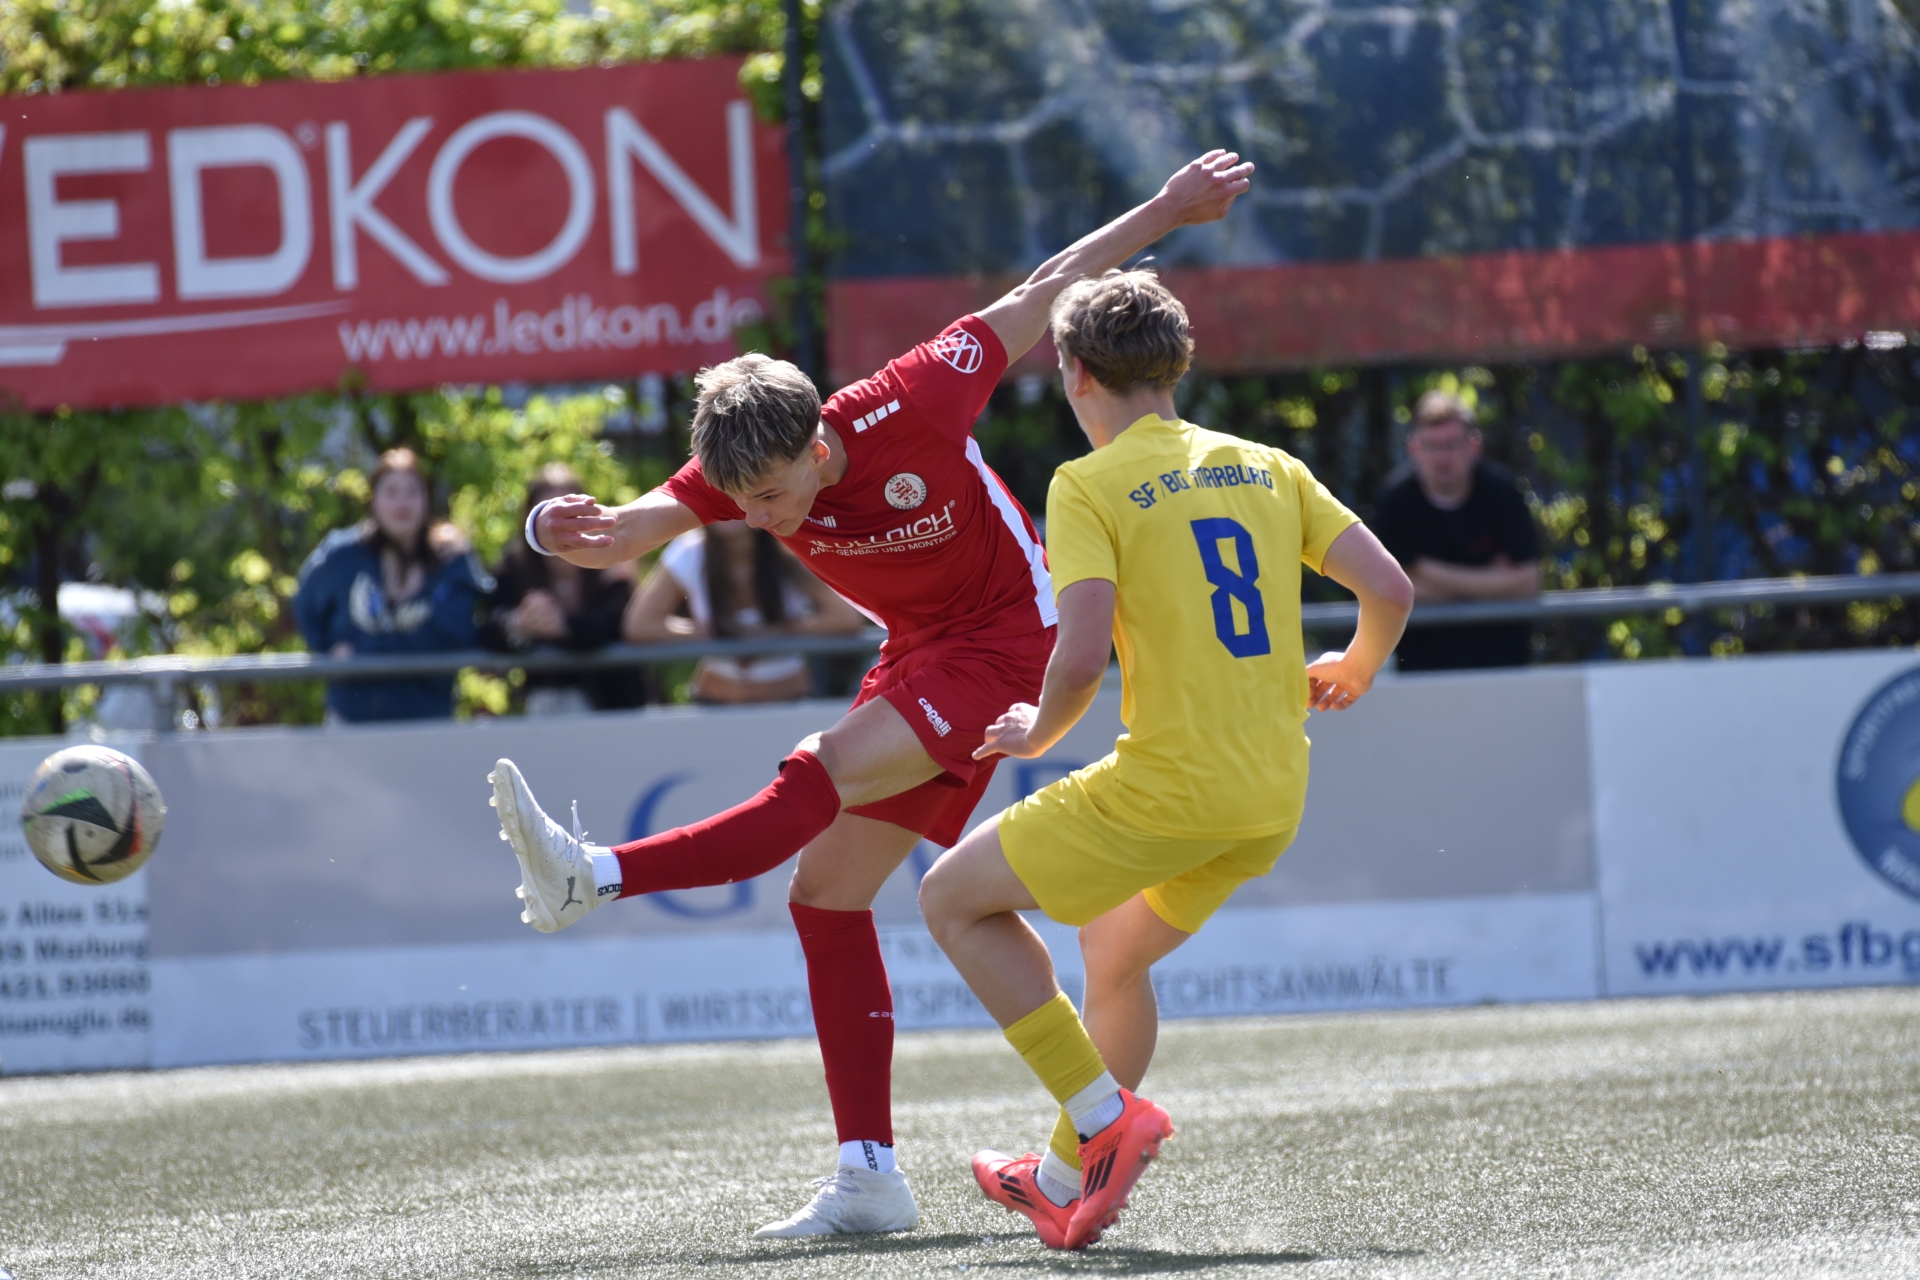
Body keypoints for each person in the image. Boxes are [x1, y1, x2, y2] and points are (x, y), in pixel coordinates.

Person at [485, 151, 1255, 1240]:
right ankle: (881, 1174)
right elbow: (626, 530)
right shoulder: (745, 469)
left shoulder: (917, 392)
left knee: (818, 773)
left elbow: (1048, 284)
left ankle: (596, 875)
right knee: (826, 896)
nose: (760, 518)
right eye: (743, 502)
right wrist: (564, 528)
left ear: (818, 442)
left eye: (773, 495)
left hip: (1011, 641)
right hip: (921, 651)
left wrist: (1170, 208)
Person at [916, 269, 1413, 1250]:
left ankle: (1104, 1119)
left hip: (1168, 789)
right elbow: (1389, 588)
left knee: (950, 899)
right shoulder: (1266, 464)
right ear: (1177, 365)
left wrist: (1036, 734)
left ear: (1075, 373)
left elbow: (1079, 655)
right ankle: (1063, 1179)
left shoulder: (1087, 482)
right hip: (1271, 795)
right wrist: (1355, 666)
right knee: (1113, 950)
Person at [294, 448, 492, 723]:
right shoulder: (341, 554)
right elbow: (304, 604)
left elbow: (454, 633)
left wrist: (362, 653)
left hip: (428, 716)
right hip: (352, 714)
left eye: (412, 491)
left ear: (426, 498)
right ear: (373, 499)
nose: (402, 503)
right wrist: (329, 650)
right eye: (391, 492)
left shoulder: (451, 558)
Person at [1372, 390, 1541, 670]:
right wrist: (1493, 582)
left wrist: (1422, 569)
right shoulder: (1394, 501)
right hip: (1420, 669)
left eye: (1451, 445)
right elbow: (1385, 593)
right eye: (1432, 446)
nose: (1442, 457)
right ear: (1414, 448)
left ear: (1474, 445)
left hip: (1502, 666)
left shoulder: (1504, 493)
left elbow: (1528, 584)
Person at [622, 519, 869, 704]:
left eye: (738, 492)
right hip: (714, 704)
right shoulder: (690, 551)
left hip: (790, 702)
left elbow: (845, 618)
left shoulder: (789, 549)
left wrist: (776, 631)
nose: (729, 505)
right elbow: (640, 624)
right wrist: (715, 634)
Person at [481, 464, 646, 716]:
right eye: (550, 516)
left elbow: (620, 623)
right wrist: (517, 624)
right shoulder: (515, 566)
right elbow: (485, 627)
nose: (559, 527)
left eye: (569, 516)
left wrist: (564, 626)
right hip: (540, 711)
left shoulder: (612, 555)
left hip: (615, 708)